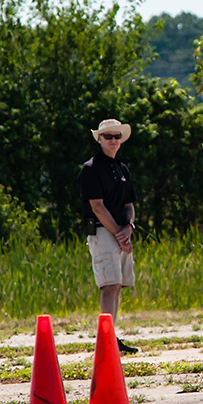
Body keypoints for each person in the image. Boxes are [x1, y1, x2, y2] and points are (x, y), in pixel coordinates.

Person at [78, 118, 139, 354]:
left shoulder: (122, 168)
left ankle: (111, 336)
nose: (113, 140)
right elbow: (97, 207)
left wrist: (130, 227)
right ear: (99, 139)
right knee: (109, 284)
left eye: (117, 137)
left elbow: (129, 204)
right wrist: (120, 233)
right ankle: (105, 339)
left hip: (122, 232)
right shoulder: (91, 168)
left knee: (118, 285)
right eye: (108, 137)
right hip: (104, 232)